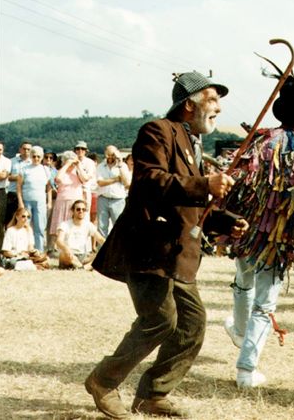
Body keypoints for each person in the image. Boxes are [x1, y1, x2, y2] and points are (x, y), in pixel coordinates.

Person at [86, 71, 247, 418]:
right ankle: (102, 381)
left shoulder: (191, 142)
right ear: (189, 104)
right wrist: (205, 183)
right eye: (213, 100)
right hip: (147, 246)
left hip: (174, 253)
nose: (219, 108)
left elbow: (188, 203)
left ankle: (152, 394)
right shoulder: (157, 130)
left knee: (191, 324)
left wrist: (224, 220)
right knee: (160, 321)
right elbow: (150, 180)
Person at [222, 67, 294, 388]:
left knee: (243, 284)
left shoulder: (260, 142)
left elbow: (239, 181)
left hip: (245, 230)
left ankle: (241, 335)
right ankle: (246, 368)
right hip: (277, 238)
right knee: (264, 303)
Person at [49, 151, 87, 251]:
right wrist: (67, 164)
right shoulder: (61, 171)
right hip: (62, 201)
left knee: (75, 225)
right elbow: (58, 179)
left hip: (76, 202)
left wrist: (78, 165)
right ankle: (57, 248)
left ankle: (76, 248)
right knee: (60, 225)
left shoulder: (78, 172)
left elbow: (85, 179)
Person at [16, 146, 52, 252]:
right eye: (34, 156)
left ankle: (39, 251)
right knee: (25, 226)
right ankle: (25, 250)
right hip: (27, 201)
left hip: (40, 202)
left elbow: (49, 187)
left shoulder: (46, 170)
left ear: (41, 157)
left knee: (40, 228)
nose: (36, 158)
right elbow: (18, 187)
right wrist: (20, 202)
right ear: (31, 156)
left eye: (38, 156)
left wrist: (49, 202)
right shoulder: (24, 169)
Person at [56, 200, 105, 270]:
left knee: (103, 254)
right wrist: (66, 249)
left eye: (83, 209)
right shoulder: (65, 224)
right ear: (73, 211)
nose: (81, 211)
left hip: (83, 257)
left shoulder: (88, 225)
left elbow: (100, 239)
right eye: (78, 209)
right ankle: (85, 267)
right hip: (69, 255)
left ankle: (81, 267)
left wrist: (109, 247)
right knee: (63, 254)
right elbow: (59, 241)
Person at [96, 145, 131, 237]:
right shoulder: (100, 166)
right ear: (105, 153)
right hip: (103, 198)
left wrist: (120, 164)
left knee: (119, 225)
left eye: (112, 154)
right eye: (108, 154)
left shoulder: (123, 166)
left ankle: (118, 250)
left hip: (118, 200)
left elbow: (126, 182)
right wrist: (116, 179)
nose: (110, 157)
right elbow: (100, 183)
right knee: (102, 226)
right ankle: (102, 249)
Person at [5, 141, 32, 224]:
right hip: (13, 194)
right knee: (10, 219)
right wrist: (18, 177)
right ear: (20, 149)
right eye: (24, 149)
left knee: (25, 221)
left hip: (27, 195)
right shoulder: (11, 161)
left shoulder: (32, 163)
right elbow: (7, 177)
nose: (26, 151)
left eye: (28, 149)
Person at [73, 140, 97, 216]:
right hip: (73, 191)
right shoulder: (71, 161)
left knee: (85, 214)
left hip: (85, 191)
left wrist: (78, 166)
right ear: (75, 150)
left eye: (82, 149)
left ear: (86, 151)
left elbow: (85, 178)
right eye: (78, 149)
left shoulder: (90, 163)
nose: (80, 151)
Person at [0, 141, 11, 252]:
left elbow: (3, 176)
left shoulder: (7, 161)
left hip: (0, 192)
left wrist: (1, 175)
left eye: (0, 149)